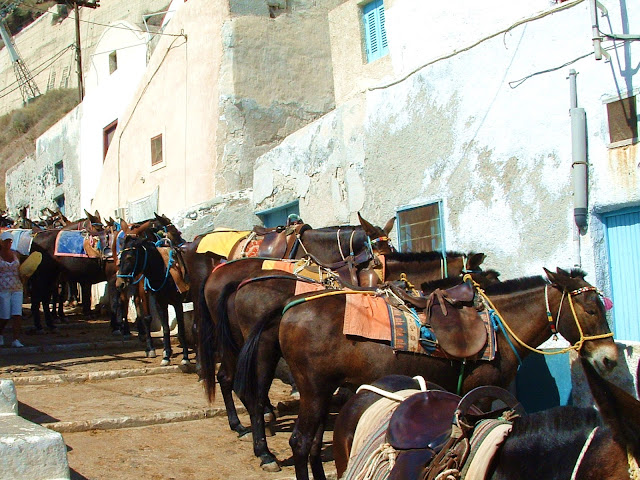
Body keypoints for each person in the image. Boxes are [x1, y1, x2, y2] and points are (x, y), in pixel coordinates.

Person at [0, 231, 24, 347]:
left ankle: (16, 339)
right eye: (6, 241)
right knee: (4, 315)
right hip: (3, 288)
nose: (8, 243)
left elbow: (21, 270)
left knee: (17, 314)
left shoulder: (15, 254)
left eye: (10, 241)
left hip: (17, 287)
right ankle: (0, 334)